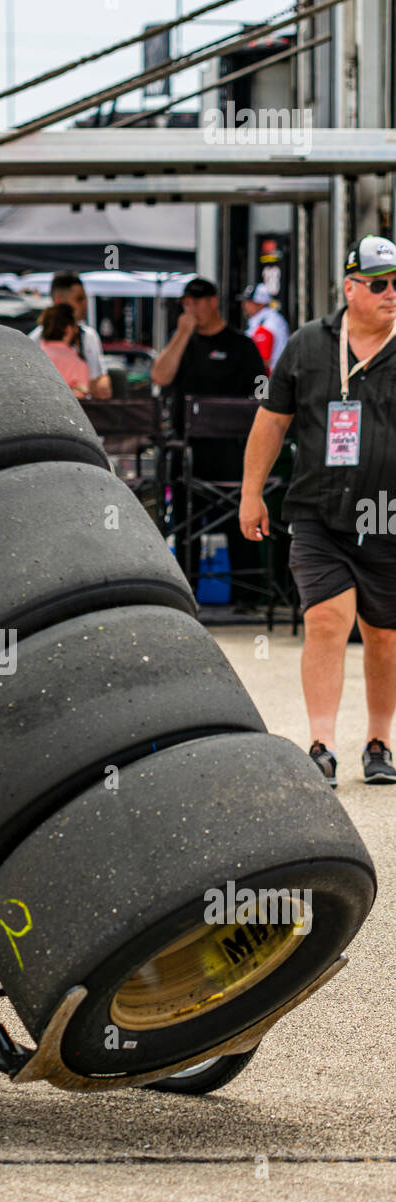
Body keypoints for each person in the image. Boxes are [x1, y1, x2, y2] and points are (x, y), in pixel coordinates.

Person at [240, 233, 396, 788]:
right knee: (327, 620)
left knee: (384, 634)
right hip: (317, 513)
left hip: (388, 519)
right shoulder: (308, 344)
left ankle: (378, 743)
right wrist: (251, 492)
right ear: (350, 288)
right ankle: (322, 744)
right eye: (380, 284)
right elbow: (272, 422)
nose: (392, 293)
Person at [151, 276, 266, 604]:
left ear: (213, 301)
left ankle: (249, 596)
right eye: (186, 303)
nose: (193, 308)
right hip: (187, 449)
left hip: (232, 448)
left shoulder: (240, 346)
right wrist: (183, 332)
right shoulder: (182, 344)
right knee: (186, 523)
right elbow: (159, 376)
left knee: (239, 517)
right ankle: (188, 593)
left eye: (198, 301)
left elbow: (263, 394)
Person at [29, 272, 112, 398]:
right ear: (59, 302)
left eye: (85, 298)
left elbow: (100, 382)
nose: (85, 304)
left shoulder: (88, 336)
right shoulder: (33, 341)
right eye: (79, 299)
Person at [36, 303, 90, 396]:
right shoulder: (77, 364)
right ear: (68, 329)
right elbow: (80, 397)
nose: (77, 331)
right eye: (76, 327)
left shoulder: (31, 356)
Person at [238, 282, 289, 372]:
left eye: (249, 302)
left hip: (268, 380)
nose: (244, 305)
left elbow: (262, 361)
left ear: (261, 303)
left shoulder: (268, 324)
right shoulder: (268, 318)